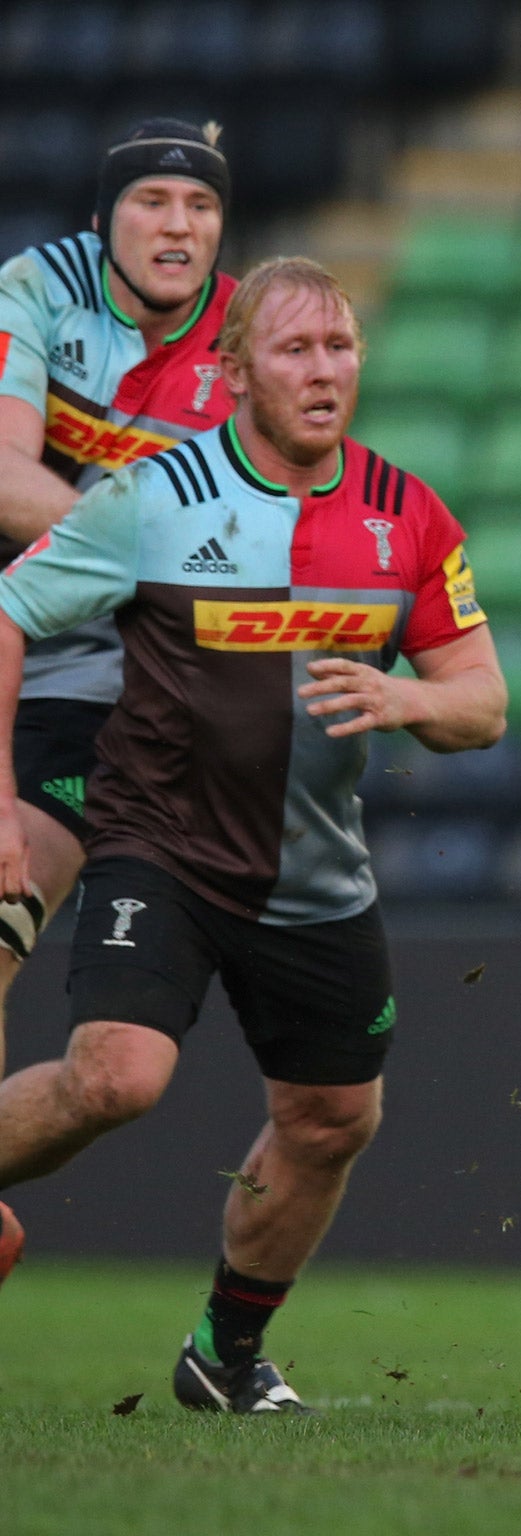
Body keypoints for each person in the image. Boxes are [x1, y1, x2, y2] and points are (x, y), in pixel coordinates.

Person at [0, 257, 506, 1412]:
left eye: (339, 349)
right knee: (117, 1077)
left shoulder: (406, 512)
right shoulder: (148, 499)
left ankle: (225, 1358)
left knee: (332, 1120)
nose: (324, 372)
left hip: (315, 869)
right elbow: (7, 612)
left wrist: (410, 700)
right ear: (232, 373)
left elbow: (482, 701)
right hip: (160, 847)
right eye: (295, 351)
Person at [0, 119, 240, 1275]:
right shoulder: (37, 290)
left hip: (107, 675)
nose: (178, 226)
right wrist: (141, 559)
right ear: (105, 221)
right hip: (21, 621)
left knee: (112, 1061)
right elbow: (5, 473)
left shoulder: (248, 334)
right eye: (152, 202)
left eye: (199, 208)